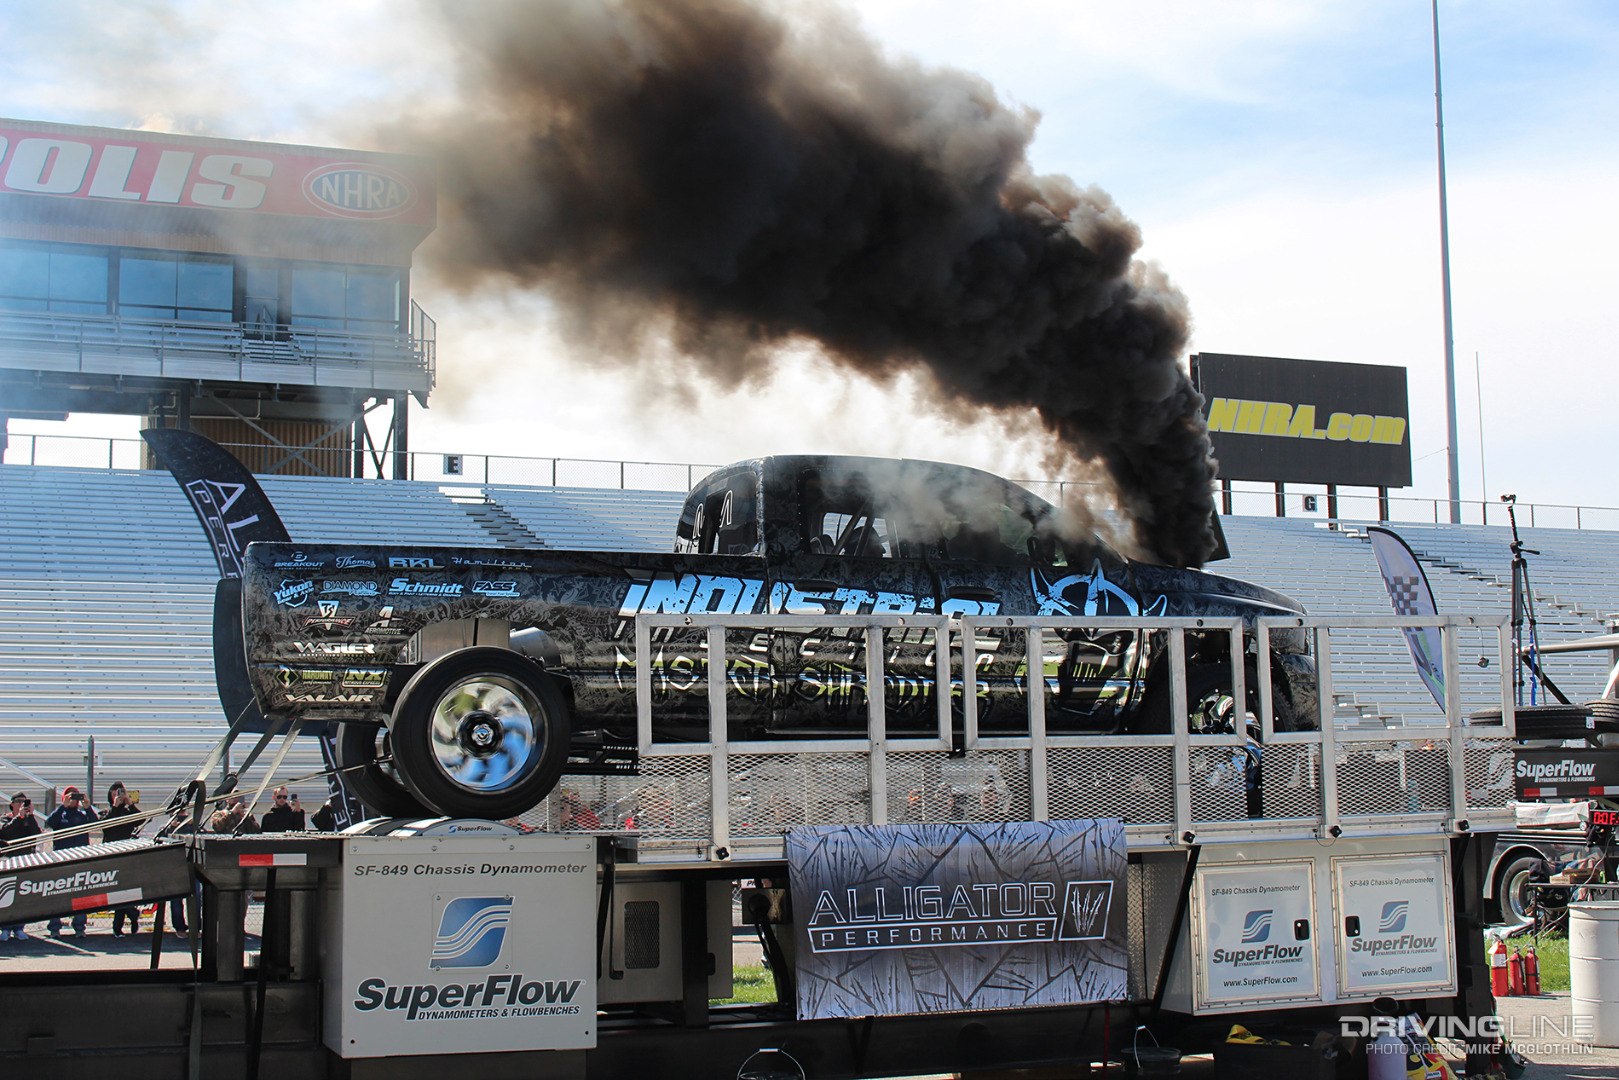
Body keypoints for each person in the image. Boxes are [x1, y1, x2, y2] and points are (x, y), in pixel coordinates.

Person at [44, 786, 98, 937]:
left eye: (76, 797)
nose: (73, 799)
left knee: (81, 896)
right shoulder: (60, 815)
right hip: (61, 862)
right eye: (70, 796)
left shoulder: (82, 815)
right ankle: (55, 927)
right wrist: (63, 806)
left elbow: (95, 824)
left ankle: (79, 927)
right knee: (57, 896)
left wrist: (88, 808)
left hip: (79, 861)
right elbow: (49, 823)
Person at [101, 782, 143, 935]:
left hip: (126, 855)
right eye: (116, 792)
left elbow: (141, 820)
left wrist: (130, 804)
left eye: (122, 792)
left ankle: (117, 928)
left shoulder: (128, 812)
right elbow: (106, 826)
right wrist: (115, 806)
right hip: (111, 856)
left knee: (123, 892)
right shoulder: (107, 811)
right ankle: (132, 913)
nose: (119, 795)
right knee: (114, 893)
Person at [0, 792, 43, 940]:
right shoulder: (6, 818)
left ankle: (19, 928)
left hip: (25, 862)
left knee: (22, 898)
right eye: (18, 801)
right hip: (8, 863)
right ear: (12, 803)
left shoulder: (29, 819)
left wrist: (29, 817)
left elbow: (36, 834)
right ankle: (5, 929)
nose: (21, 804)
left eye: (24, 801)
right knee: (7, 897)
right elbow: (5, 833)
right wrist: (19, 818)